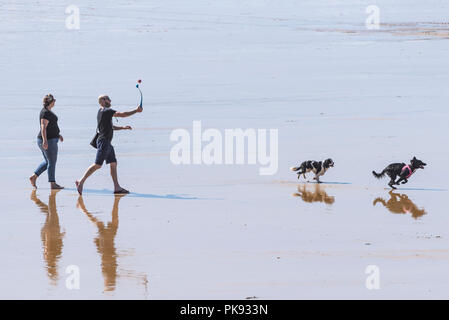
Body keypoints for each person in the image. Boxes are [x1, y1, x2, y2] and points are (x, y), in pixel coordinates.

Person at [76, 94, 142, 195]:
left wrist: (123, 128)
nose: (110, 101)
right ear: (102, 101)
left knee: (113, 163)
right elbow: (122, 114)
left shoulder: (101, 111)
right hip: (103, 141)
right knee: (98, 165)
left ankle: (117, 187)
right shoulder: (107, 111)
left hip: (107, 143)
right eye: (108, 99)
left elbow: (111, 127)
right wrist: (136, 111)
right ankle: (81, 181)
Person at [30, 94, 64, 189]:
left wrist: (58, 135)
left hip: (50, 139)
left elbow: (51, 126)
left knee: (48, 162)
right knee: (52, 162)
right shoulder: (45, 112)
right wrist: (45, 141)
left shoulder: (48, 111)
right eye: (54, 100)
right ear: (51, 101)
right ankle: (53, 184)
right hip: (48, 140)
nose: (55, 102)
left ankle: (34, 176)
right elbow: (43, 127)